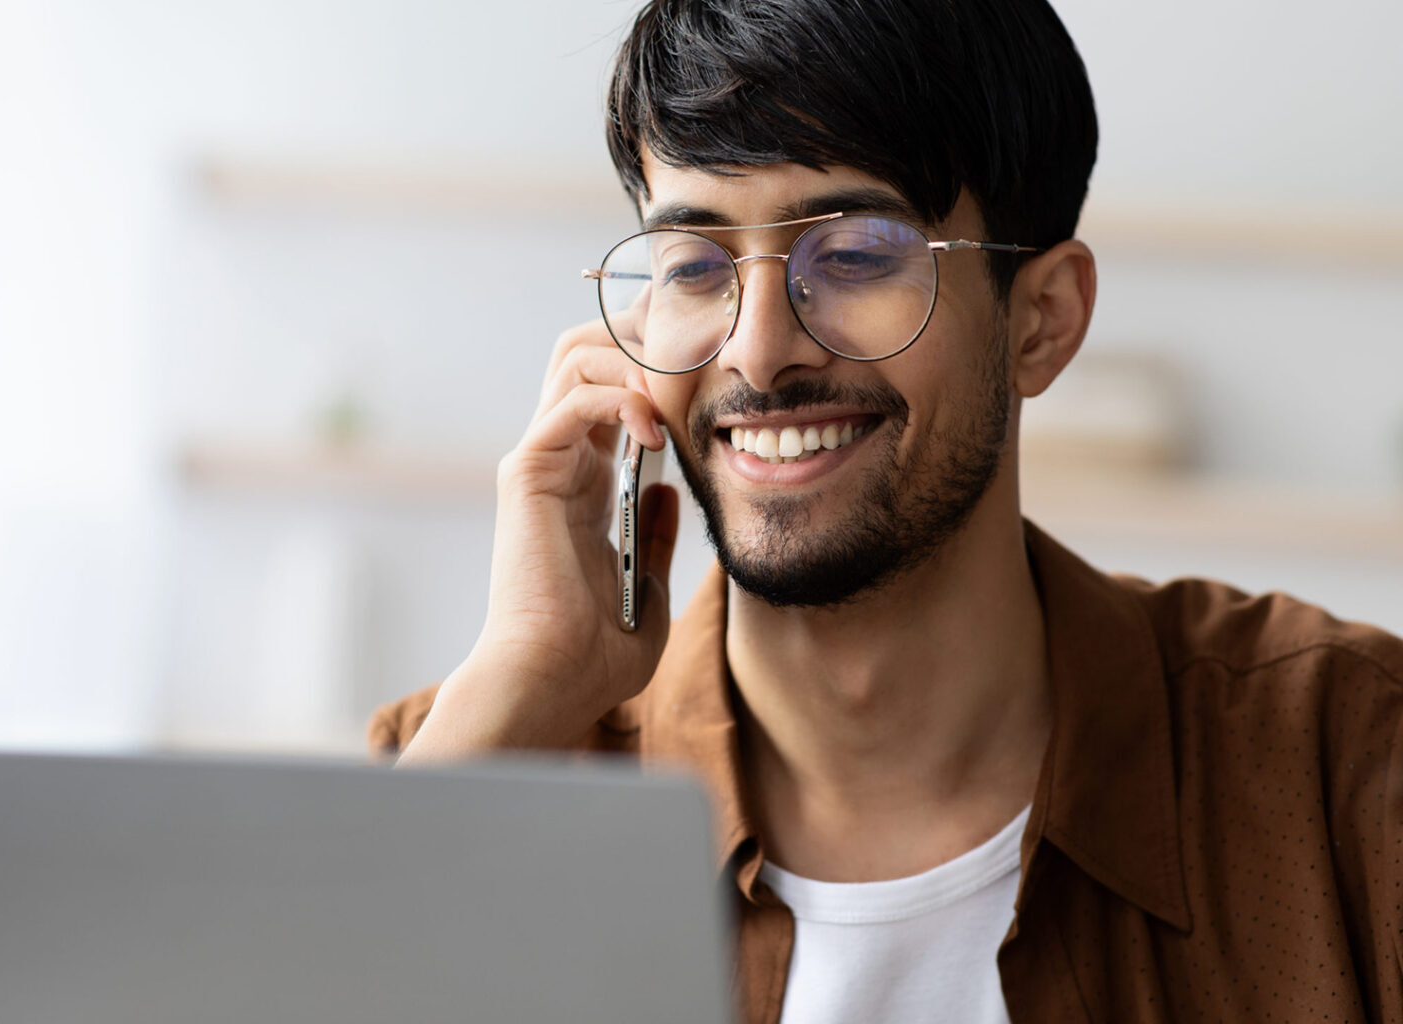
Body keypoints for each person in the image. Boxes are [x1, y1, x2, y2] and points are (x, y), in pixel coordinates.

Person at [368, 1, 1403, 1020]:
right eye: (695, 265)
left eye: (857, 253)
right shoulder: (469, 763)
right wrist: (514, 700)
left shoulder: (1347, 766)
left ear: (1043, 321)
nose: (758, 348)